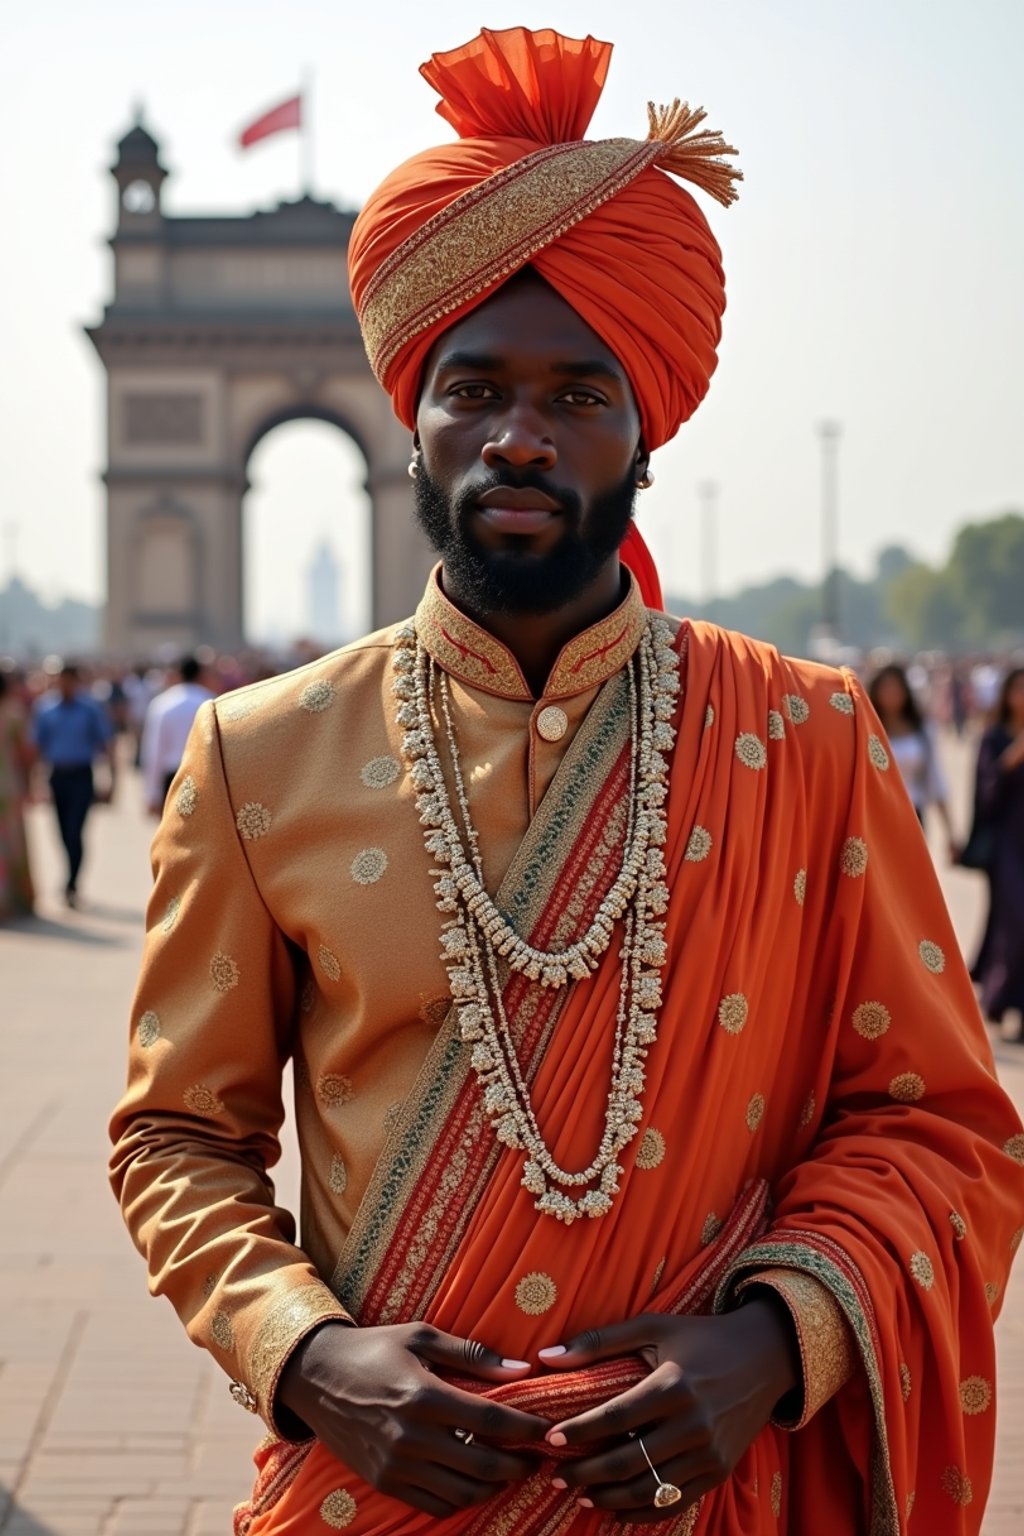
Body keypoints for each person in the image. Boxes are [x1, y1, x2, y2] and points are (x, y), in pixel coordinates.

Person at [110, 28, 1024, 1536]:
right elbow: (174, 1135)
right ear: (408, 420)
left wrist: (774, 1343)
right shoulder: (255, 755)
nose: (518, 438)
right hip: (385, 1488)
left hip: (716, 1485)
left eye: (578, 396)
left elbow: (939, 1119)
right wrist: (308, 1354)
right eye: (472, 391)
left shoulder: (806, 735)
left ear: (645, 434)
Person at [32, 662, 115, 906]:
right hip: (58, 776)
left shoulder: (90, 709)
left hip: (81, 776)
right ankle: (69, 874)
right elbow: (38, 747)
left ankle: (72, 883)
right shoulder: (45, 708)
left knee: (74, 830)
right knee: (60, 833)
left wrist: (111, 781)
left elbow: (107, 744)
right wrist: (35, 782)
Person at [969, 667, 1024, 1030]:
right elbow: (986, 794)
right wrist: (1015, 755)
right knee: (1015, 919)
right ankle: (1001, 996)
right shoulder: (994, 738)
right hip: (1008, 842)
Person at [867, 663, 958, 858]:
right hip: (873, 816)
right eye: (886, 688)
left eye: (896, 688)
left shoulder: (922, 731)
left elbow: (935, 780)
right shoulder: (865, 729)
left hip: (912, 814)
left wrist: (950, 831)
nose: (891, 694)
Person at [139, 655, 214, 816]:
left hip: (173, 778)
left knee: (173, 838)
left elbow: (154, 752)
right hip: (205, 776)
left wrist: (152, 793)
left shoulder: (162, 704)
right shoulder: (211, 701)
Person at [0, 667, 35, 921]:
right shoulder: (13, 715)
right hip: (8, 787)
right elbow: (26, 755)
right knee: (10, 843)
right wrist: (30, 786)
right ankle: (11, 899)